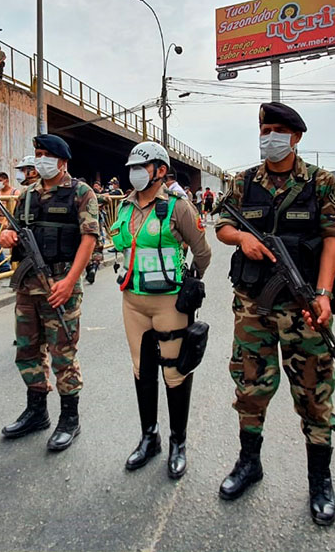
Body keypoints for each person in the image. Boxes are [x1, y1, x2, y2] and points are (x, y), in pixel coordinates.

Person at [213, 102, 335, 526]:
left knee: (313, 392)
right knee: (250, 385)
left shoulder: (321, 182)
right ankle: (249, 463)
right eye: (263, 129)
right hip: (253, 303)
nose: (267, 136)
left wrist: (324, 293)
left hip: (304, 302)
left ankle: (319, 480)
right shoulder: (243, 181)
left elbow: (331, 239)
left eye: (275, 130)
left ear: (295, 137)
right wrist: (241, 239)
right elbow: (219, 225)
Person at [111, 141, 211, 479]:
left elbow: (203, 252)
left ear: (160, 170)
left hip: (170, 303)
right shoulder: (124, 207)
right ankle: (149, 437)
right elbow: (122, 247)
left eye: (142, 167)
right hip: (133, 302)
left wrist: (190, 284)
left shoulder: (177, 208)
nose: (134, 173)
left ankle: (177, 442)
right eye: (132, 168)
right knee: (143, 370)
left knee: (174, 372)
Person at [0, 134, 99, 451]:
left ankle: (69, 418)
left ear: (62, 161)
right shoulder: (26, 195)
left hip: (60, 284)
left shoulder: (81, 192)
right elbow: (7, 231)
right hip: (28, 286)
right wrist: (7, 236)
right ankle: (36, 411)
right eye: (37, 154)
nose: (39, 160)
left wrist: (70, 281)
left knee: (62, 353)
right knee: (27, 349)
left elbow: (89, 238)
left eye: (45, 155)